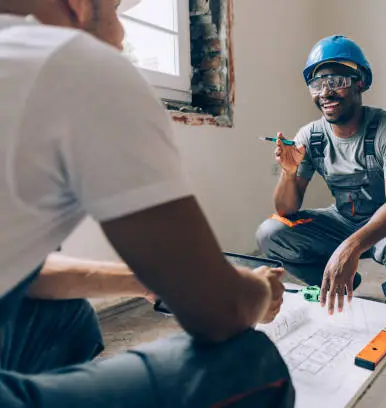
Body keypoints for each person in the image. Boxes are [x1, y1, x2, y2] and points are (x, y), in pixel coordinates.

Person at [0, 0, 294, 407]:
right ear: (80, 5)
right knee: (254, 365)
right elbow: (221, 311)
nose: (121, 34)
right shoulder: (75, 63)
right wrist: (259, 291)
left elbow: (24, 274)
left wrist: (147, 279)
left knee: (67, 317)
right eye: (117, 9)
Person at [256, 35, 386, 314]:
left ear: (360, 82)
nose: (325, 93)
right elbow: (286, 209)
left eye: (336, 81)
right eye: (317, 84)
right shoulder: (310, 136)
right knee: (271, 232)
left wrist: (350, 248)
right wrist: (288, 173)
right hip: (340, 221)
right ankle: (336, 284)